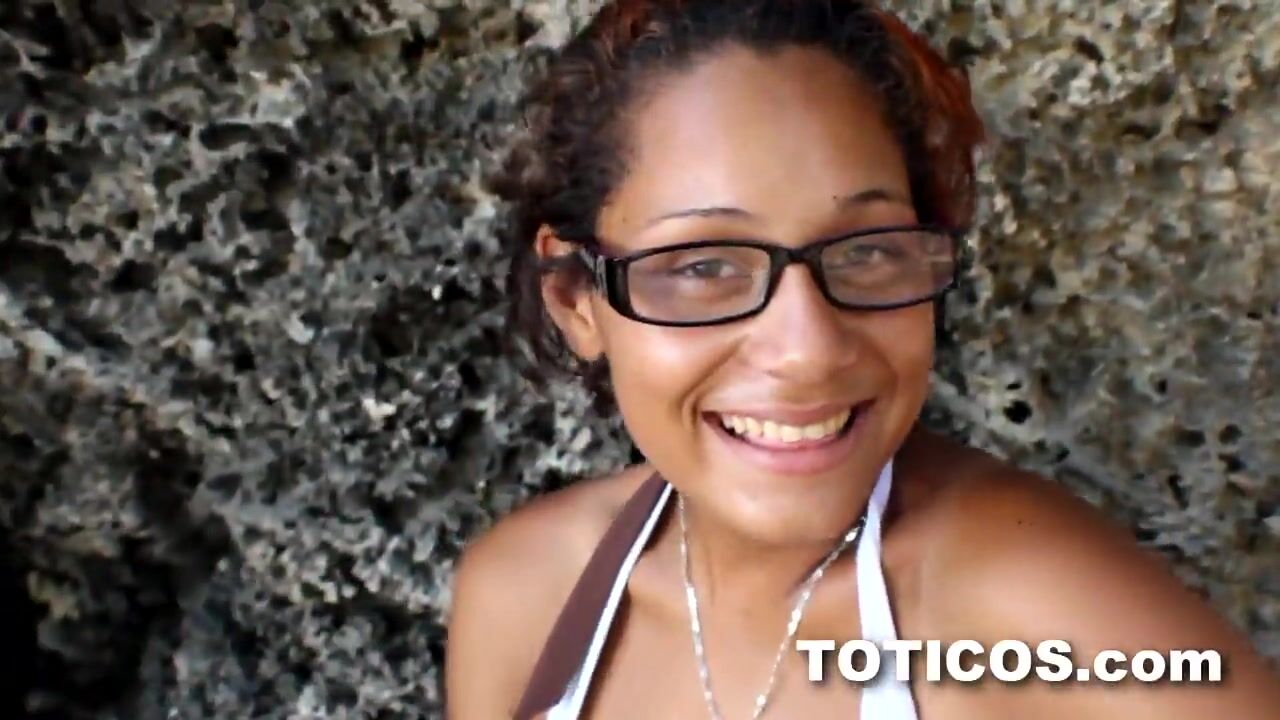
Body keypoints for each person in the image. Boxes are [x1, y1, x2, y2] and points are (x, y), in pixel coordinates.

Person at [445, 1, 1280, 717]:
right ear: (575, 299)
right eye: (702, 266)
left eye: (867, 250)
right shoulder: (525, 594)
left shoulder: (1043, 614)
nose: (807, 350)